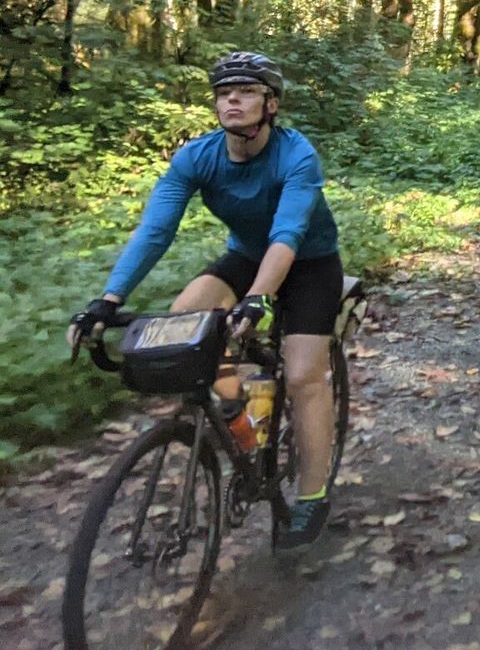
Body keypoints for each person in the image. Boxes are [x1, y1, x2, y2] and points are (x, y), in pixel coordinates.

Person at [68, 50, 344, 550]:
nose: (232, 100)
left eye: (246, 91)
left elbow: (287, 233)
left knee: (304, 374)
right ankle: (240, 412)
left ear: (271, 104)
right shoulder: (197, 157)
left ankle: (312, 494)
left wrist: (259, 298)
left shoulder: (296, 154)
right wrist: (108, 299)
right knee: (184, 322)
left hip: (309, 264)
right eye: (223, 93)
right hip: (245, 257)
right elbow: (156, 231)